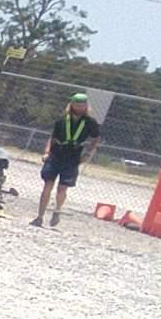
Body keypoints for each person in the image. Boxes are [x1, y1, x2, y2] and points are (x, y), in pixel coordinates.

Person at [33, 93, 102, 227]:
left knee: (62, 188)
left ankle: (57, 211)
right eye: (76, 104)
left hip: (73, 155)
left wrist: (87, 154)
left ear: (86, 106)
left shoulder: (90, 122)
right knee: (48, 184)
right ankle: (39, 216)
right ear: (71, 104)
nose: (79, 107)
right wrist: (47, 152)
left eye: (82, 105)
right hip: (56, 154)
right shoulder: (62, 119)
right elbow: (52, 137)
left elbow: (96, 138)